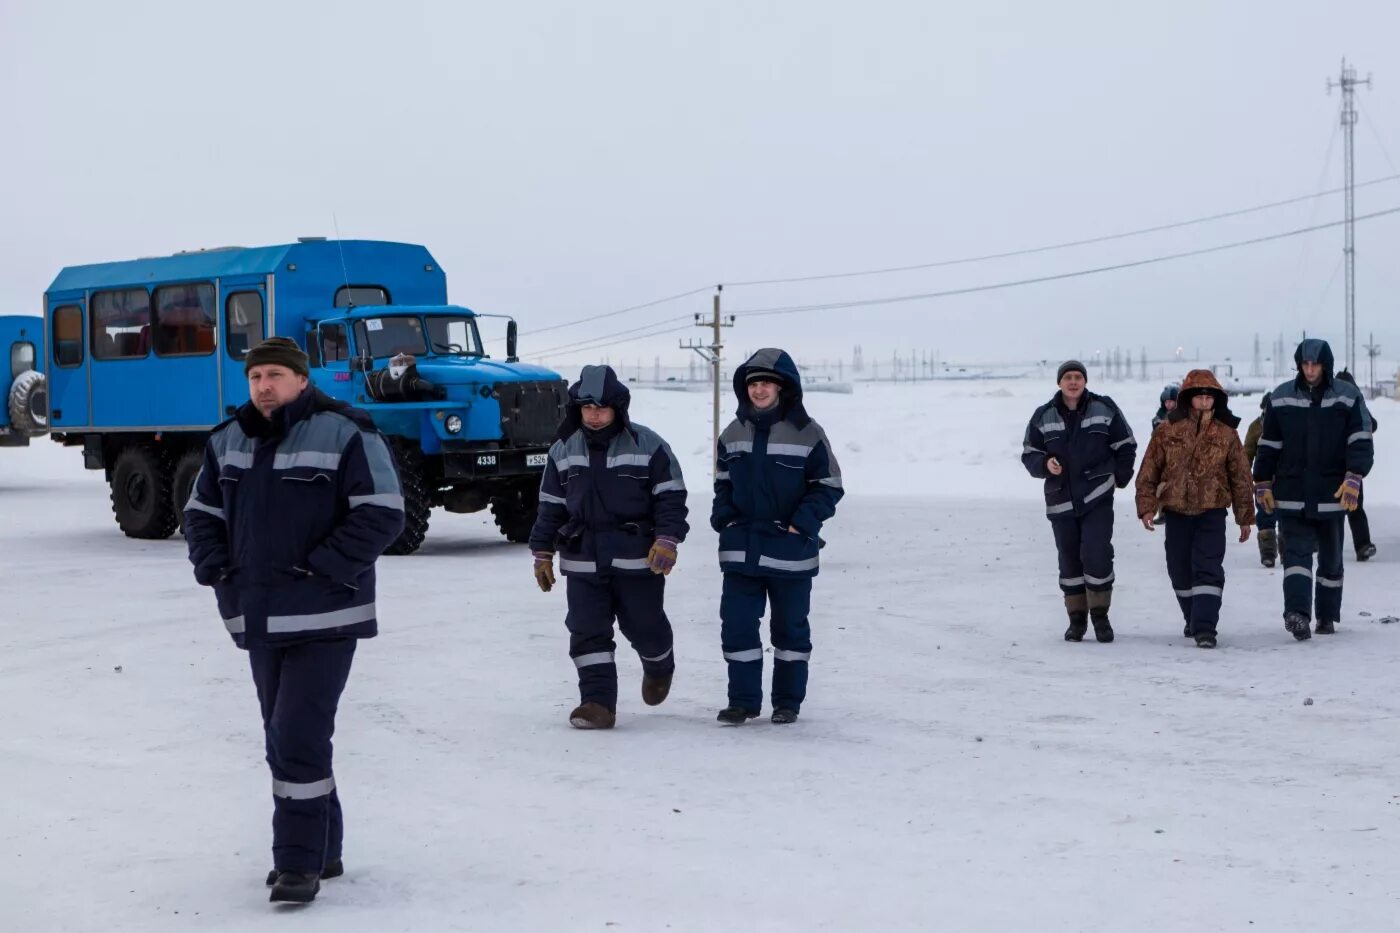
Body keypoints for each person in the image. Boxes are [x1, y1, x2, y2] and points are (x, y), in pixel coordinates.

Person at [184, 337, 405, 904]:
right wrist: (216, 571)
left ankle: (297, 865)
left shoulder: (347, 431)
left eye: (276, 375)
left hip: (327, 613)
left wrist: (320, 569)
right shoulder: (227, 440)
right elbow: (200, 515)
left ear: (303, 380)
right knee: (288, 739)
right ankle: (325, 848)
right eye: (256, 377)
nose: (264, 387)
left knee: (296, 736)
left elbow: (383, 513)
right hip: (258, 618)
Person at [529, 365, 689, 730]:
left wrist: (667, 539)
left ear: (618, 407)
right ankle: (597, 703)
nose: (595, 415)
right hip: (583, 557)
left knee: (644, 626)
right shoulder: (562, 450)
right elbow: (550, 505)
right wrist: (542, 552)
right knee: (586, 629)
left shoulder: (649, 445)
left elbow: (671, 499)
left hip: (637, 559)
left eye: (601, 407)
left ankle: (659, 664)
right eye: (587, 408)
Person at [712, 349, 843, 725]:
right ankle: (742, 702)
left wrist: (801, 524)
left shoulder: (809, 433)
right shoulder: (732, 433)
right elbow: (722, 484)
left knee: (789, 633)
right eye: (754, 382)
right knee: (736, 627)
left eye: (767, 382)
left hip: (790, 553)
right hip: (741, 553)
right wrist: (725, 520)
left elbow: (828, 486)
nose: (760, 389)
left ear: (784, 387)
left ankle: (787, 702)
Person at [1252, 339, 1374, 640]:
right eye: (1305, 364)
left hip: (1331, 494)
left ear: (1325, 365)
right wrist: (1262, 480)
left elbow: (1360, 438)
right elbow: (1268, 445)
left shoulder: (1347, 397)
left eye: (1314, 364)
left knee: (1331, 561)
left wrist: (1354, 476)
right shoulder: (1281, 398)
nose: (1309, 370)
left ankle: (1327, 616)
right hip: (1292, 493)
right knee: (1296, 555)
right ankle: (1297, 614)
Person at [1134, 370, 1255, 648]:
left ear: (1216, 400)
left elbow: (1240, 476)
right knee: (1179, 570)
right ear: (1187, 398)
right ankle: (1192, 616)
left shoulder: (1226, 433)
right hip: (1176, 512)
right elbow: (1149, 471)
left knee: (1208, 568)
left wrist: (1245, 517)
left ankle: (1205, 628)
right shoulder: (1167, 430)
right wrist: (1146, 506)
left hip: (1212, 512)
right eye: (1198, 396)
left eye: (1208, 397)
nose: (1203, 401)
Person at [1021, 360, 1137, 643]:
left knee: (1096, 553)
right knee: (1069, 560)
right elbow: (1029, 453)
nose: (1073, 382)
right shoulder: (1043, 415)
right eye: (1068, 377)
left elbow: (1126, 446)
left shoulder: (1104, 408)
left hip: (1097, 496)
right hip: (1061, 501)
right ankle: (1076, 620)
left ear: (1085, 381)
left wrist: (1118, 477)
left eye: (1078, 377)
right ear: (1059, 382)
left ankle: (1100, 617)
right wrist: (1046, 464)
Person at [1335, 370, 1379, 561]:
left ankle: (1361, 546)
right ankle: (1362, 545)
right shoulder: (1354, 400)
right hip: (1347, 466)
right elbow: (1373, 424)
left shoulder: (1341, 401)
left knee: (1342, 508)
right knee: (1353, 507)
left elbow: (1371, 424)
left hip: (1347, 466)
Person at [1243, 394, 1279, 567]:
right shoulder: (1256, 427)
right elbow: (1247, 455)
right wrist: (1246, 478)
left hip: (1286, 480)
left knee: (1289, 518)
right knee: (1265, 517)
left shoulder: (1288, 424)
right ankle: (1268, 553)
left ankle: (1290, 553)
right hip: (1263, 481)